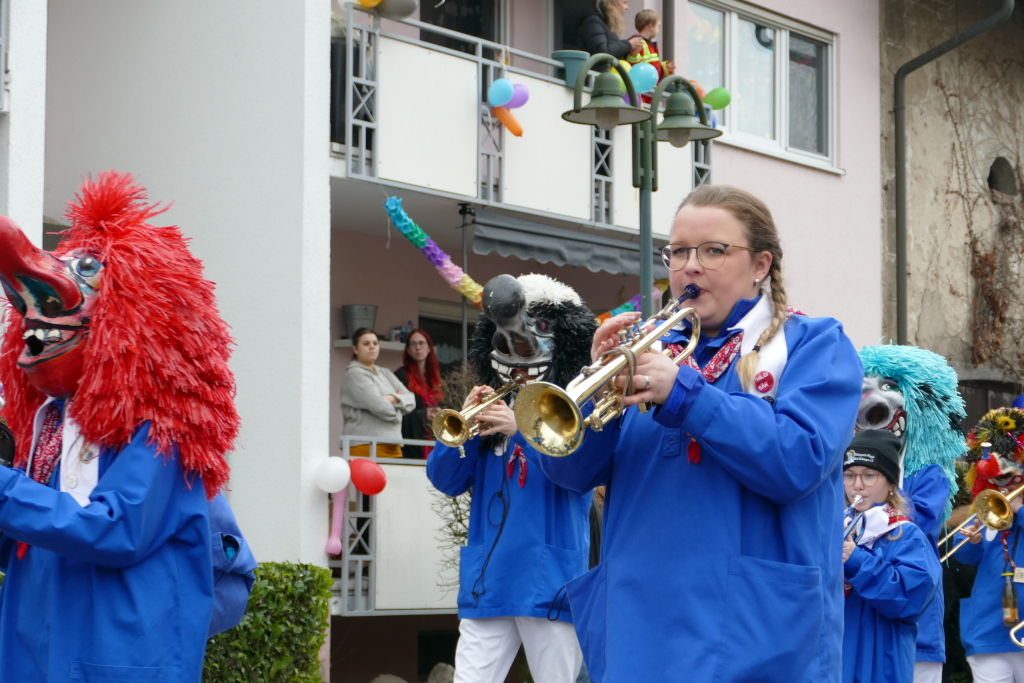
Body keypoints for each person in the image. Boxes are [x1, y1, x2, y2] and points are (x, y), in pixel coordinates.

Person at [536, 184, 864, 683]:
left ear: (760, 265)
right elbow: (568, 473)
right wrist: (591, 389)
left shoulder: (815, 343)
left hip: (752, 635)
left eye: (713, 250)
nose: (690, 266)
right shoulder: (649, 352)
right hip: (638, 628)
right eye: (679, 251)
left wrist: (685, 395)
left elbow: (798, 460)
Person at [0, 173, 241, 680]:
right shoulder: (46, 423)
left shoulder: (161, 432)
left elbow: (114, 531)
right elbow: (20, 538)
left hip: (117, 660)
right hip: (38, 652)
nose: (34, 319)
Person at [427, 273, 596, 683]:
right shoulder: (491, 410)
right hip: (488, 582)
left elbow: (578, 474)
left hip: (549, 583)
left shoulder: (577, 411)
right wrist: (461, 431)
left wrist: (520, 429)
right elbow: (445, 480)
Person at [857, 344, 967, 683]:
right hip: (862, 615)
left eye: (890, 386)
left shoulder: (928, 473)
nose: (873, 395)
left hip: (915, 621)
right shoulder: (849, 474)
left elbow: (915, 523)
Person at [842, 429, 941, 683]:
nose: (858, 484)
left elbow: (911, 598)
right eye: (850, 475)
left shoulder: (906, 534)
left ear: (890, 483)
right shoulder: (834, 527)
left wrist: (855, 559)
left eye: (870, 475)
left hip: (880, 665)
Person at [952, 407, 1024, 682]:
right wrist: (972, 540)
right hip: (986, 632)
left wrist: (1020, 509)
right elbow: (965, 557)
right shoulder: (987, 505)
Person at [340, 327, 415, 458]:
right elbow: (383, 408)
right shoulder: (354, 374)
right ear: (355, 349)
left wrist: (391, 398)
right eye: (366, 344)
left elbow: (412, 400)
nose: (372, 347)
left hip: (394, 444)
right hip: (365, 444)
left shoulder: (385, 372)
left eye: (375, 343)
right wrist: (399, 407)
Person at [395, 329, 444, 459]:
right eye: (413, 344)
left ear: (429, 348)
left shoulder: (436, 378)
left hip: (435, 441)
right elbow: (398, 412)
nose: (417, 347)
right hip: (412, 444)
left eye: (422, 343)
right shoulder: (401, 376)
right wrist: (423, 414)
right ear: (408, 350)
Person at [578, 0, 643, 62]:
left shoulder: (604, 22)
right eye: (624, 2)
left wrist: (630, 51)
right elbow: (602, 52)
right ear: (613, 3)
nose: (627, 7)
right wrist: (628, 44)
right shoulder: (593, 21)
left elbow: (612, 53)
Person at [626, 10, 675, 80]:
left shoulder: (648, 44)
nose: (658, 30)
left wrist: (664, 68)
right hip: (647, 87)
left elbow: (653, 65)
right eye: (658, 26)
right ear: (651, 26)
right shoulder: (638, 43)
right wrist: (633, 54)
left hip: (652, 86)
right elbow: (635, 67)